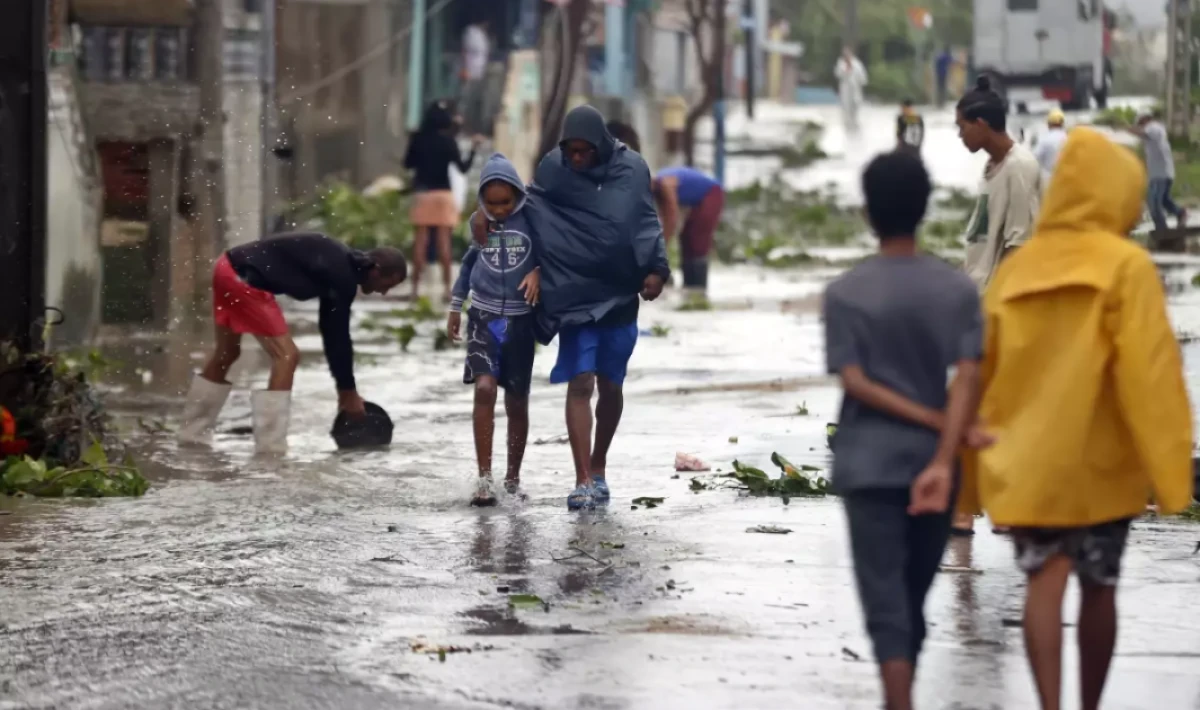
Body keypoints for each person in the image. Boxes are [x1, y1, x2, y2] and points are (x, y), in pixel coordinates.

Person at [958, 127, 1193, 710]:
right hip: (1101, 468)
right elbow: (1151, 376)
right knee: (1098, 586)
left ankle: (1050, 705)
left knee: (1044, 578)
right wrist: (1168, 474)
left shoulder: (1016, 273)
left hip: (1027, 461)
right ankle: (1089, 704)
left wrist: (969, 476)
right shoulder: (1126, 268)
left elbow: (977, 373)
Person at [824, 150, 987, 710]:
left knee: (886, 601)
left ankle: (899, 699)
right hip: (933, 464)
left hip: (867, 464)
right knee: (912, 596)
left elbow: (855, 381)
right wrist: (945, 442)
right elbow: (968, 375)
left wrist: (935, 422)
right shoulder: (958, 290)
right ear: (925, 208)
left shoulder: (845, 292)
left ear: (868, 213)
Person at [470, 106, 669, 510]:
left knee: (611, 385)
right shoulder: (554, 170)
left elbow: (645, 220)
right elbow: (527, 210)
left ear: (600, 146)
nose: (576, 159)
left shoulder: (632, 171)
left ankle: (599, 467)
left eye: (584, 152)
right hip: (573, 294)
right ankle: (581, 480)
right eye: (571, 151)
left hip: (619, 294)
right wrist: (484, 218)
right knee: (581, 383)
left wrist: (658, 269)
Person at [178, 234, 407, 453]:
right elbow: (338, 337)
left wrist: (345, 392)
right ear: (375, 270)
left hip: (225, 266)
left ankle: (191, 436)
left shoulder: (339, 264)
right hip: (244, 279)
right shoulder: (343, 274)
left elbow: (331, 331)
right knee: (286, 356)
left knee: (227, 353)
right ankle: (271, 449)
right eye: (387, 284)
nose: (384, 292)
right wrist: (348, 392)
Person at [953, 75, 1041, 535]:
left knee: (980, 405)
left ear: (983, 124)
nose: (960, 134)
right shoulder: (992, 167)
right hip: (979, 300)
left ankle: (977, 507)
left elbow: (1020, 246)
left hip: (1000, 307)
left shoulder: (1020, 167)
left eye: (962, 125)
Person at [447, 155, 542, 506]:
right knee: (484, 389)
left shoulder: (532, 219)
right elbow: (468, 265)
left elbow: (553, 250)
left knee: (517, 401)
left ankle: (513, 478)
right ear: (481, 201)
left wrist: (540, 272)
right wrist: (456, 307)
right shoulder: (480, 226)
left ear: (517, 195)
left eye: (505, 202)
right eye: (491, 203)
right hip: (484, 318)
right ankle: (484, 479)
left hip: (520, 322)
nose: (499, 210)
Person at [404, 100, 482, 301]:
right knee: (443, 244)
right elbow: (463, 168)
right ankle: (448, 289)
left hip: (423, 194)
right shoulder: (448, 141)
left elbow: (408, 164)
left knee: (420, 244)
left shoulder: (418, 139)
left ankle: (414, 290)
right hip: (443, 195)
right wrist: (473, 149)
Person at [653, 166, 724, 290]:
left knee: (697, 240)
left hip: (711, 193)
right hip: (696, 201)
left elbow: (671, 219)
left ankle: (699, 288)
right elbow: (662, 220)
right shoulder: (657, 192)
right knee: (686, 239)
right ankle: (689, 287)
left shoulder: (666, 184)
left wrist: (661, 248)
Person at [1127, 111, 1187, 232]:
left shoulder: (1154, 127)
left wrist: (1127, 129)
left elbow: (1143, 133)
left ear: (1145, 120)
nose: (1140, 126)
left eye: (1140, 123)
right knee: (1164, 200)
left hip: (1160, 173)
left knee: (1154, 202)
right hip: (1161, 172)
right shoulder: (1157, 129)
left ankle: (1161, 228)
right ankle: (1180, 213)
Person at [834, 47, 869, 131]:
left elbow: (862, 74)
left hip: (855, 87)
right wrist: (845, 71)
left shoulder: (857, 63)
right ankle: (847, 121)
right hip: (845, 87)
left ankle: (854, 119)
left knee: (856, 103)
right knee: (846, 104)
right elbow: (837, 74)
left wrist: (863, 82)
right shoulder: (841, 63)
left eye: (847, 54)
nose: (846, 56)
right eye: (845, 55)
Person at [1033, 109, 1068, 184]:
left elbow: (1035, 158)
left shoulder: (1044, 139)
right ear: (1062, 123)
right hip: (1066, 180)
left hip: (1049, 180)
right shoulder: (1069, 138)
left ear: (1049, 124)